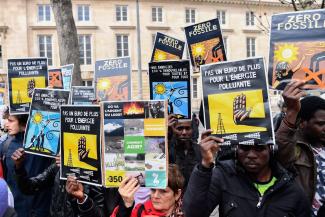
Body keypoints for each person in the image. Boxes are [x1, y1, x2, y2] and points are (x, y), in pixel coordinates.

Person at [183, 130, 310, 217]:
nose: (251, 155)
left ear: (271, 150)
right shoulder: (224, 176)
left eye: (259, 148)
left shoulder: (291, 189)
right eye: (245, 148)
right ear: (236, 150)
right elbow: (193, 213)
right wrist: (205, 165)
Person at [11, 148, 110, 217]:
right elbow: (29, 187)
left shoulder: (96, 173)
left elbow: (100, 213)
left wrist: (82, 199)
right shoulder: (58, 167)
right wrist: (19, 167)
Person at [276, 80, 325, 216]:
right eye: (321, 124)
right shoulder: (293, 147)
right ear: (302, 123)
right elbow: (281, 148)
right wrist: (291, 111)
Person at [0, 109, 53, 217]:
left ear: (23, 121)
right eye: (6, 120)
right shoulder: (5, 145)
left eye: (10, 121)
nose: (6, 124)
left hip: (41, 208)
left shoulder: (46, 144)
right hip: (17, 209)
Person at [110, 164, 184, 217]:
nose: (155, 196)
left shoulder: (188, 212)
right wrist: (126, 206)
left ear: (177, 194)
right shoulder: (139, 210)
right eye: (153, 190)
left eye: (163, 191)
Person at [168, 114, 201, 186]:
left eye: (187, 128)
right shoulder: (167, 150)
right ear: (173, 129)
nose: (184, 132)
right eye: (179, 129)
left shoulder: (200, 150)